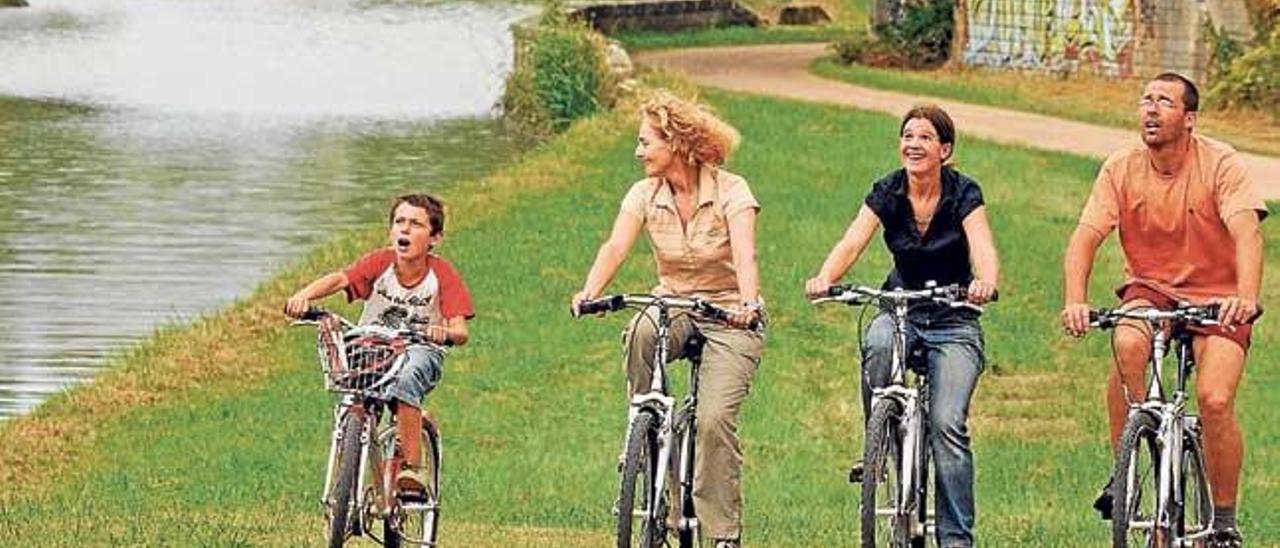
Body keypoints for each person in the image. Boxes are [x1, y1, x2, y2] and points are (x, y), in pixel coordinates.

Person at [1060, 73, 1265, 547]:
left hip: (1218, 294)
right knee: (1127, 341)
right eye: (1146, 100)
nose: (1151, 109)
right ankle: (1131, 462)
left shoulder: (1220, 163)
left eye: (1165, 102)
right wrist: (1075, 297)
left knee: (1214, 400)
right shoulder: (1121, 167)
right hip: (1151, 287)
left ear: (1189, 119)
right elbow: (1086, 237)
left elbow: (1247, 233)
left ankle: (1224, 521)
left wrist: (1246, 296)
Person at [570, 91, 763, 548]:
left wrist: (748, 304)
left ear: (675, 143)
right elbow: (615, 246)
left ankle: (722, 535)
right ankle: (643, 425)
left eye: (644, 143)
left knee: (713, 420)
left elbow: (745, 252)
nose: (637, 152)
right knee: (641, 327)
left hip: (727, 312)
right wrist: (590, 291)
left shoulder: (732, 191)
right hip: (673, 303)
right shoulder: (643, 193)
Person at [805, 104, 999, 548]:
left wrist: (985, 282)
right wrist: (825, 278)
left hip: (954, 318)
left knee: (948, 424)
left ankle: (954, 539)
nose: (913, 144)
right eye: (907, 136)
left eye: (925, 137)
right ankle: (880, 442)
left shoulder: (964, 192)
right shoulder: (888, 190)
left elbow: (983, 245)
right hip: (901, 308)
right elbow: (853, 238)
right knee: (876, 343)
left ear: (945, 150)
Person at [285, 193, 473, 492]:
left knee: (406, 381)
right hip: (374, 344)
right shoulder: (381, 262)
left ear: (435, 238)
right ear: (390, 230)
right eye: (399, 222)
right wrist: (304, 296)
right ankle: (358, 457)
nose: (405, 229)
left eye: (416, 224)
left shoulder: (441, 274)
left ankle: (414, 468)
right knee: (351, 384)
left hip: (419, 348)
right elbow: (340, 279)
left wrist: (444, 332)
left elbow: (461, 331)